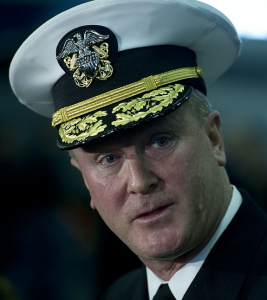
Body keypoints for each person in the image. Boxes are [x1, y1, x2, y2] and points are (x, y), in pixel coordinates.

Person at [9, 0, 267, 299]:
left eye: (160, 141)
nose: (139, 182)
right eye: (108, 158)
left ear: (213, 139)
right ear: (84, 181)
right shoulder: (121, 294)